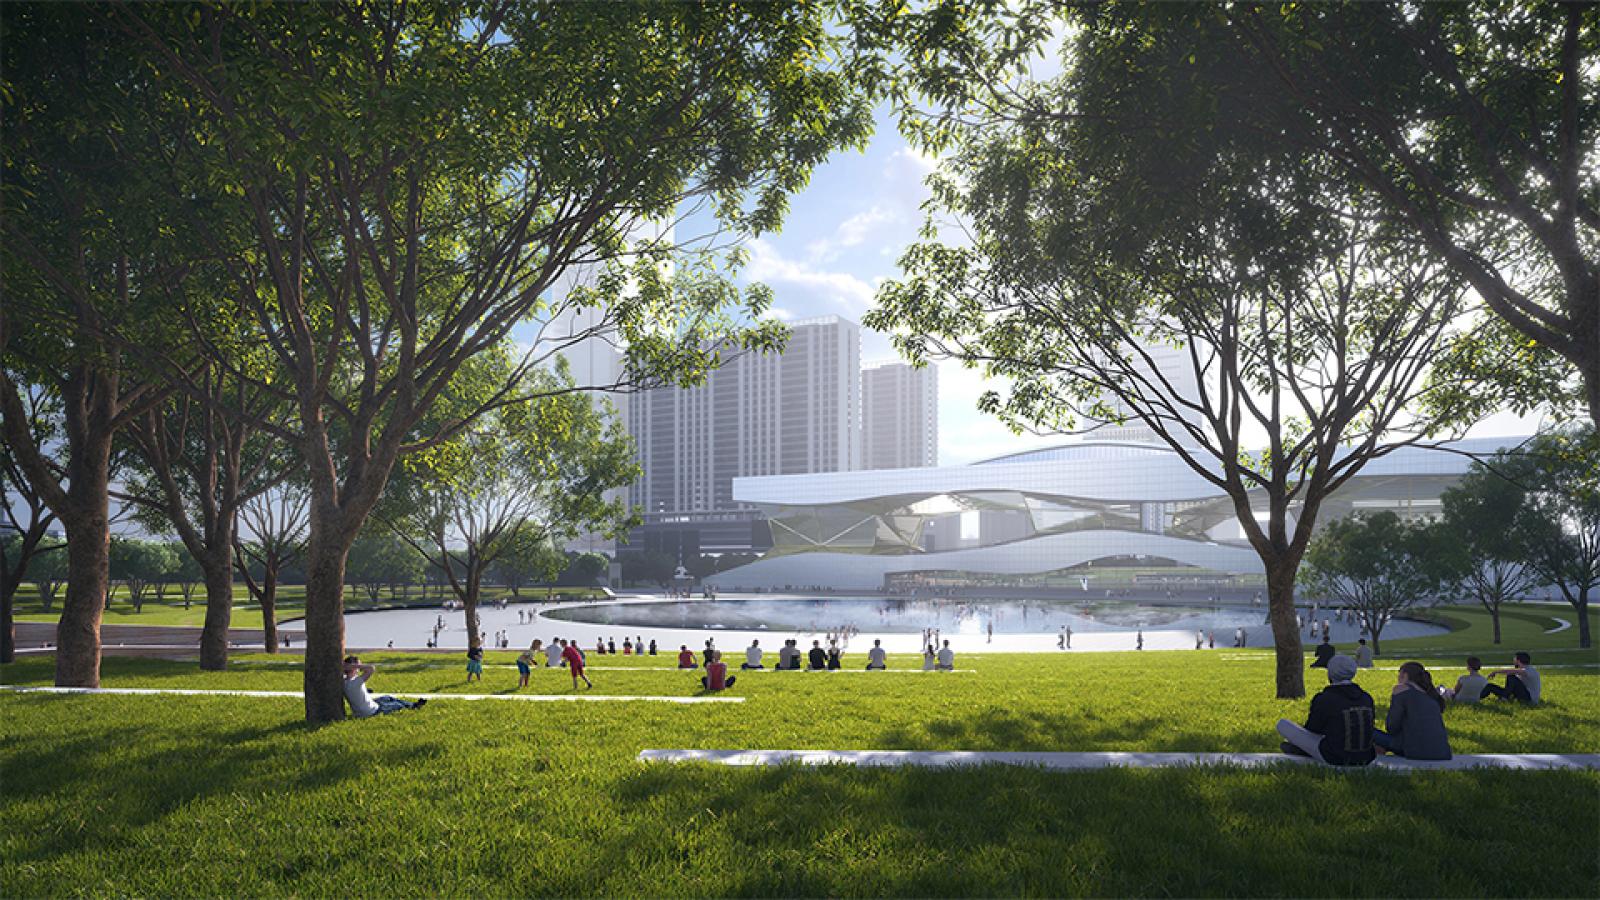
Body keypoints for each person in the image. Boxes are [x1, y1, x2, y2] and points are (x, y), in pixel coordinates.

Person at [1276, 655, 1376, 766]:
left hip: (1335, 756)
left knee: (1283, 724)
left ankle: (1301, 750)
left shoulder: (1325, 698)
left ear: (1330, 673)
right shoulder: (1366, 697)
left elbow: (1313, 729)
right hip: (1366, 756)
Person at [1372, 661, 1452, 760]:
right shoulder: (1430, 695)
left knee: (1368, 731)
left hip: (1415, 751)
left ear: (1404, 675)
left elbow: (1391, 727)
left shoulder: (1401, 689)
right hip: (1442, 752)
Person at [343, 656, 426, 717]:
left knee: (387, 697)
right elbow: (371, 668)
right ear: (354, 668)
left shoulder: (344, 681)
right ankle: (413, 706)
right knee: (397, 705)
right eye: (359, 665)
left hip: (366, 708)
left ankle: (412, 704)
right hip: (372, 711)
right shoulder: (356, 682)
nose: (360, 668)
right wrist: (354, 666)